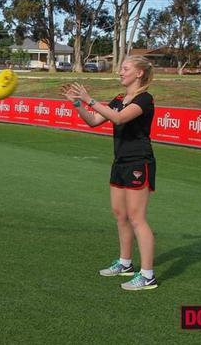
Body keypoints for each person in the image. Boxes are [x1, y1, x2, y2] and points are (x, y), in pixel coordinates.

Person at [61, 55, 158, 291]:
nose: (120, 72)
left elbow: (119, 118)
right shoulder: (118, 99)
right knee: (120, 215)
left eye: (125, 68)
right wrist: (77, 105)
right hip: (120, 162)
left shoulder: (145, 99)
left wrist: (89, 98)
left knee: (137, 218)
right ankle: (125, 263)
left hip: (139, 162)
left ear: (139, 74)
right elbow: (94, 121)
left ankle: (147, 275)